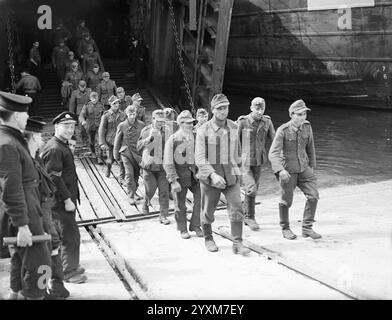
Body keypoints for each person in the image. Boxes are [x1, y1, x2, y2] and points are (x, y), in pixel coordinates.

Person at [0, 91, 51, 300]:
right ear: (16, 115)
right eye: (25, 114)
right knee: (41, 263)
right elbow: (11, 187)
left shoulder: (11, 140)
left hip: (25, 210)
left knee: (20, 260)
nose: (28, 118)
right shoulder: (7, 144)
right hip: (25, 214)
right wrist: (22, 225)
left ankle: (16, 294)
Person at [195, 93, 250, 255]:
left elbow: (238, 153)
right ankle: (208, 238)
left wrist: (241, 176)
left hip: (231, 177)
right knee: (208, 210)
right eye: (219, 108)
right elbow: (199, 157)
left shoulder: (234, 126)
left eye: (226, 107)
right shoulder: (203, 130)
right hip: (211, 179)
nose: (223, 111)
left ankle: (237, 243)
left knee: (237, 206)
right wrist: (212, 175)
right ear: (212, 110)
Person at [23, 117, 70, 299]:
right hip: (36, 215)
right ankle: (39, 291)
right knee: (41, 252)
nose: (42, 140)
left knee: (53, 246)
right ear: (30, 138)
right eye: (38, 136)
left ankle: (56, 285)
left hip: (45, 211)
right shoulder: (24, 162)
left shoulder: (35, 158)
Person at [41, 111, 87, 284]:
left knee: (64, 235)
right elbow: (54, 177)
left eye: (72, 126)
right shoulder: (55, 148)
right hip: (60, 201)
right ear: (56, 127)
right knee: (70, 236)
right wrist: (67, 199)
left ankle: (68, 265)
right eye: (65, 126)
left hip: (62, 199)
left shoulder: (60, 144)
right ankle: (69, 272)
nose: (70, 130)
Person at [268, 99, 321, 240]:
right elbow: (273, 153)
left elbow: (311, 148)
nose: (302, 117)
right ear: (292, 115)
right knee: (286, 201)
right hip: (288, 170)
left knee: (313, 196)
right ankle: (285, 228)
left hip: (304, 168)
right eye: (299, 114)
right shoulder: (283, 130)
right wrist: (280, 170)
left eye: (304, 114)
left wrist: (312, 167)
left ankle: (307, 228)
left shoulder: (307, 127)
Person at [237, 97, 275, 231]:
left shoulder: (267, 121)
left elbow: (274, 140)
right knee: (251, 188)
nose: (260, 112)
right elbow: (234, 141)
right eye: (257, 109)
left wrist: (279, 157)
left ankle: (248, 216)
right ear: (251, 108)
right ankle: (247, 215)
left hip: (259, 160)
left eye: (262, 109)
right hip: (245, 161)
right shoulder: (243, 121)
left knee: (253, 190)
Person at [163, 110, 203, 239]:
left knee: (201, 199)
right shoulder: (173, 139)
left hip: (195, 176)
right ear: (180, 124)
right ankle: (182, 229)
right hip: (180, 177)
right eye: (187, 123)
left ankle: (195, 225)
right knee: (180, 204)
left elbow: (202, 155)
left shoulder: (196, 137)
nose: (191, 125)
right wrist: (173, 181)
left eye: (192, 123)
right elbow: (168, 161)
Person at [137, 109, 171, 224]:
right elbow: (138, 146)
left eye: (163, 121)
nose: (160, 123)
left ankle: (163, 215)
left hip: (162, 167)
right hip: (149, 167)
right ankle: (146, 202)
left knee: (164, 191)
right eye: (158, 121)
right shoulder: (146, 131)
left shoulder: (167, 131)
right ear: (153, 119)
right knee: (150, 190)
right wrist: (147, 140)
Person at [113, 105, 145, 204]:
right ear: (126, 114)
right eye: (130, 114)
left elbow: (144, 140)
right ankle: (130, 196)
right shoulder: (122, 126)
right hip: (126, 153)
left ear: (136, 114)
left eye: (133, 114)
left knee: (136, 175)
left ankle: (134, 192)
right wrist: (116, 155)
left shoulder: (141, 125)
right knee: (129, 174)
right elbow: (117, 141)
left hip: (138, 154)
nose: (132, 116)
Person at [98, 95, 126, 179]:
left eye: (117, 103)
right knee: (110, 160)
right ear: (110, 104)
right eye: (114, 104)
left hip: (120, 140)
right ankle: (108, 170)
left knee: (121, 160)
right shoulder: (106, 115)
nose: (116, 105)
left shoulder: (123, 114)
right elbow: (101, 129)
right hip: (110, 140)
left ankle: (121, 177)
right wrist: (102, 143)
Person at [79, 91, 105, 163]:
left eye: (95, 98)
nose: (94, 100)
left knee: (99, 140)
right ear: (90, 98)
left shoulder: (101, 105)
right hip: (90, 126)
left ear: (97, 98)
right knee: (91, 141)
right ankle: (93, 152)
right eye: (92, 98)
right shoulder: (86, 106)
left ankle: (99, 156)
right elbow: (81, 115)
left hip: (99, 126)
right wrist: (83, 121)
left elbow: (104, 115)